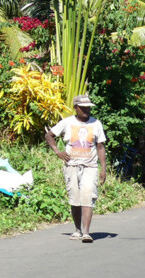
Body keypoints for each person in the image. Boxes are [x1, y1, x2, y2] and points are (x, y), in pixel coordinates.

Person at [44, 94, 107, 243]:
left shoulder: (96, 124)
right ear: (75, 108)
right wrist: (58, 151)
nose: (86, 110)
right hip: (71, 165)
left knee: (87, 196)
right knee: (75, 199)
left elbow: (100, 145)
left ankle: (86, 232)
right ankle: (77, 229)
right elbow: (49, 135)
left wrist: (103, 168)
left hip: (90, 166)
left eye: (88, 108)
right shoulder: (67, 122)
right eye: (83, 108)